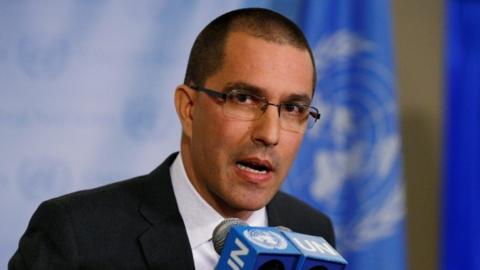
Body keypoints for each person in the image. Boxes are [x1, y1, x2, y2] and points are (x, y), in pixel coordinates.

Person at [9, 8, 334, 270]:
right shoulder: (77, 237)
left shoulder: (313, 232)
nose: (270, 133)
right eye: (244, 99)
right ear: (189, 108)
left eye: (293, 108)